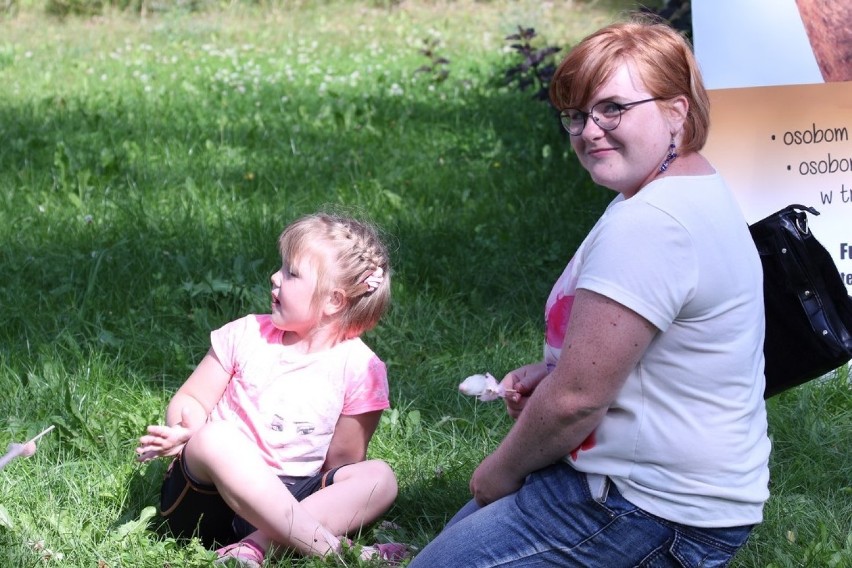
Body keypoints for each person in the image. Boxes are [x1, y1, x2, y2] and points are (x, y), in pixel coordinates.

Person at [409, 14, 771, 568]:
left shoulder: (653, 223)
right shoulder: (681, 186)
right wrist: (555, 369)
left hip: (645, 510)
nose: (589, 130)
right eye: (575, 115)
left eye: (613, 109)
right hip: (674, 496)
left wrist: (497, 474)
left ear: (677, 110)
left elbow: (576, 402)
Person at [136, 212, 407, 567]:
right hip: (210, 498)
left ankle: (256, 546)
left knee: (380, 478)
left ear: (334, 301)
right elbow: (191, 398)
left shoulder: (361, 369)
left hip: (293, 497)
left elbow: (341, 463)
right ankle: (338, 552)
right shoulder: (246, 334)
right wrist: (185, 429)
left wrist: (337, 500)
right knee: (215, 437)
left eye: (292, 273)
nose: (275, 277)